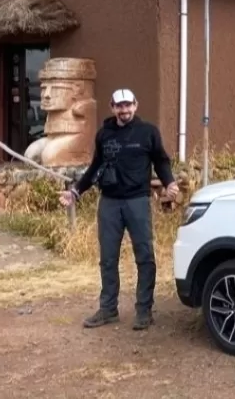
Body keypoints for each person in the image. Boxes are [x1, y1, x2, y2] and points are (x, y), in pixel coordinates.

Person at [59, 88, 180, 330]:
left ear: (136, 105)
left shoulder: (148, 132)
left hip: (138, 201)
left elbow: (161, 160)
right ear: (112, 107)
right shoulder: (104, 134)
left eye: (128, 105)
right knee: (108, 258)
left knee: (145, 257)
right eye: (119, 106)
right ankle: (108, 309)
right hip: (109, 203)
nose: (124, 110)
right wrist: (75, 191)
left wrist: (170, 183)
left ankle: (144, 310)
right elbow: (95, 168)